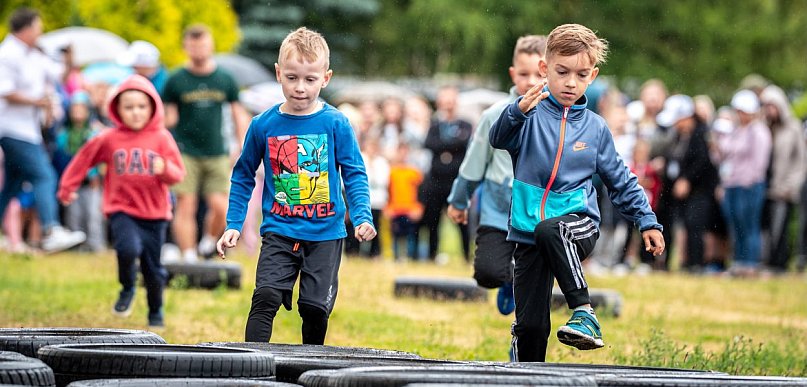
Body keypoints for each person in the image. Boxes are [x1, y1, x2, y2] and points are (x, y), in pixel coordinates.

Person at [489, 24, 664, 361]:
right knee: (531, 328)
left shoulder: (596, 128)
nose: (571, 82)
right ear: (544, 69)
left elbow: (621, 181)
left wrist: (648, 221)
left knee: (551, 228)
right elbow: (498, 138)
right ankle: (524, 374)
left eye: (581, 74)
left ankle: (585, 313)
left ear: (592, 76)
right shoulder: (527, 114)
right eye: (562, 72)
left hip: (577, 224)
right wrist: (517, 111)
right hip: (527, 233)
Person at [216, 27, 376, 345]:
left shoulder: (336, 123)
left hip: (325, 234)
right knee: (265, 297)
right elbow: (243, 174)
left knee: (314, 308)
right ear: (278, 73)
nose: (300, 88)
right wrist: (234, 223)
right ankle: (253, 367)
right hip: (280, 230)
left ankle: (310, 368)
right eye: (291, 78)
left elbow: (354, 173)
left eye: (310, 80)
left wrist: (362, 216)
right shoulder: (263, 124)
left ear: (325, 78)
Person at [57, 74, 185, 328]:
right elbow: (84, 159)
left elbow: (178, 174)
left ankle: (155, 310)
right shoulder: (109, 138)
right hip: (121, 210)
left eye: (141, 107)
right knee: (127, 249)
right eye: (129, 107)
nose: (136, 113)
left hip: (155, 214)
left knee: (153, 269)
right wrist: (67, 187)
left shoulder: (161, 138)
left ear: (152, 108)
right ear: (117, 109)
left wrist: (164, 169)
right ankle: (127, 287)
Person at [446, 34, 547, 315]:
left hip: (538, 214)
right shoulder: (495, 114)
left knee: (536, 280)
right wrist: (459, 200)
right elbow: (474, 163)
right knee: (487, 273)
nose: (530, 81)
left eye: (537, 74)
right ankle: (507, 278)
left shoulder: (555, 117)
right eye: (523, 74)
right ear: (513, 74)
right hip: (498, 212)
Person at [0, 7, 86, 253]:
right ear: (26, 29)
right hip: (12, 129)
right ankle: (51, 229)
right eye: (38, 27)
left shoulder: (35, 55)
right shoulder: (7, 55)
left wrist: (69, 59)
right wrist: (39, 102)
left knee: (12, 185)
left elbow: (59, 76)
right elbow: (5, 91)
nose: (41, 32)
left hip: (29, 129)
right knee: (44, 176)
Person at [163, 24, 248, 263]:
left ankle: (209, 242)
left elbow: (237, 113)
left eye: (203, 44)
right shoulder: (176, 80)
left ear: (210, 45)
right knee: (186, 204)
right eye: (194, 45)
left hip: (217, 151)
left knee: (221, 205)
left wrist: (241, 144)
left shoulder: (224, 78)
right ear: (186, 47)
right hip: (185, 151)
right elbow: (169, 118)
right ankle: (188, 255)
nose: (199, 50)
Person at [655, 95, 721, 272]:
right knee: (678, 224)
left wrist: (687, 179)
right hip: (678, 189)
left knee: (695, 225)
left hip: (699, 190)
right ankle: (674, 262)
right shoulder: (678, 135)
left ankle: (696, 264)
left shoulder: (701, 134)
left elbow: (703, 161)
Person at [713, 89, 771, 277]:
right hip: (732, 184)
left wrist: (749, 181)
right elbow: (724, 156)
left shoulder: (759, 131)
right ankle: (738, 262)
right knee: (735, 225)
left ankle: (750, 263)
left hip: (750, 185)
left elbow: (760, 162)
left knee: (749, 225)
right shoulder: (737, 131)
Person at [420, 85, 473, 262]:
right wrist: (452, 145)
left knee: (461, 220)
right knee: (433, 221)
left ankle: (466, 255)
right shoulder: (435, 124)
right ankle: (431, 255)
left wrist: (445, 146)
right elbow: (429, 144)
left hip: (455, 181)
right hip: (435, 181)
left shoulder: (465, 124)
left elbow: (464, 143)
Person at [759, 85, 805, 273]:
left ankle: (780, 264)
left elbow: (801, 160)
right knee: (766, 229)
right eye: (766, 106)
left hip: (783, 187)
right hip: (764, 186)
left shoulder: (792, 127)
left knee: (780, 228)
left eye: (772, 106)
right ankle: (766, 261)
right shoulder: (764, 128)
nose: (770, 110)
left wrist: (792, 185)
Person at [52, 91, 105, 252]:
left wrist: (95, 175)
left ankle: (95, 245)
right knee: (73, 214)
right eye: (74, 108)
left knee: (93, 214)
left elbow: (96, 158)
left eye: (81, 108)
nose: (78, 112)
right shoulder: (63, 134)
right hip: (72, 181)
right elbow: (61, 158)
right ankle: (75, 246)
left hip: (91, 181)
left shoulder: (94, 133)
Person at [385, 142, 424, 261]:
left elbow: (422, 192)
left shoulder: (414, 172)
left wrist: (419, 208)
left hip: (411, 209)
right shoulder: (391, 172)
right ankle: (396, 258)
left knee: (411, 236)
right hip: (395, 209)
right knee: (395, 236)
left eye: (405, 152)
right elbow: (387, 191)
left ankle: (411, 258)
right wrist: (387, 208)